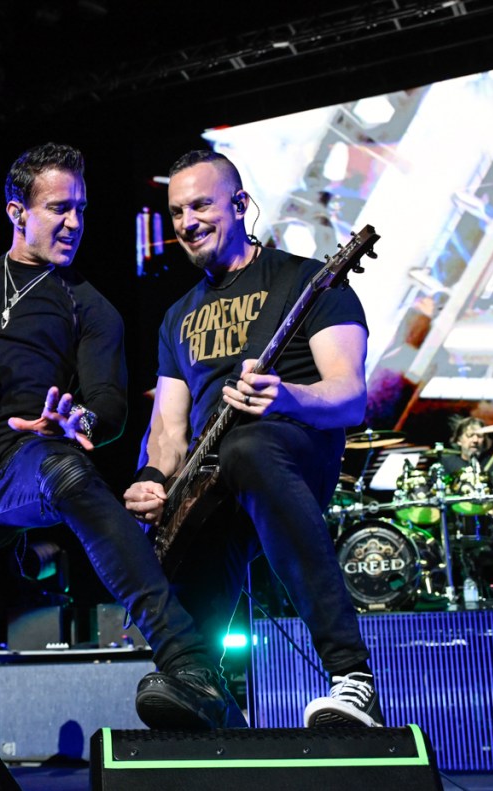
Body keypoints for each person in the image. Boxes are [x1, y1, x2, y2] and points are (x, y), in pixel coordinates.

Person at [0, 142, 228, 730]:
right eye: (59, 208)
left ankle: (188, 661)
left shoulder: (89, 307)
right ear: (17, 211)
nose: (74, 223)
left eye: (81, 210)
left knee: (66, 469)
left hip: (24, 464)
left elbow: (110, 408)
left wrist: (77, 423)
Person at [122, 149, 383, 728]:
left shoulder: (309, 281)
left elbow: (349, 395)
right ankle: (200, 677)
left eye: (201, 205)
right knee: (188, 515)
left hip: (294, 449)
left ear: (241, 205)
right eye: (176, 211)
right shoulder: (176, 317)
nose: (186, 221)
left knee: (247, 448)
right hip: (214, 471)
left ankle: (352, 676)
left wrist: (287, 396)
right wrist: (150, 478)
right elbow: (168, 426)